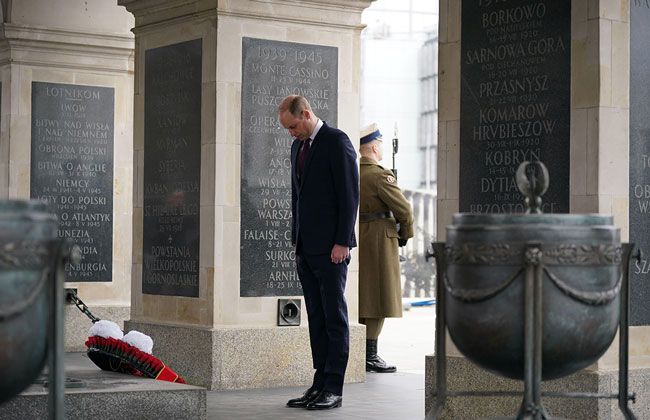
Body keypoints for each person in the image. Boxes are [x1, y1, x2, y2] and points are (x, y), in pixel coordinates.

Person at [278, 95, 359, 410]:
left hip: (331, 250)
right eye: (287, 128)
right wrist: (296, 240)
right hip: (306, 248)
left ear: (306, 114)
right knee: (316, 316)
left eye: (293, 126)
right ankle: (319, 381)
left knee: (333, 316)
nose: (291, 133)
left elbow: (349, 195)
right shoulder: (298, 147)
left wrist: (342, 241)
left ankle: (334, 387)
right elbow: (297, 197)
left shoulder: (336, 141)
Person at [358, 123, 414, 373]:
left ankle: (360, 351)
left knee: (363, 295)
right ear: (372, 147)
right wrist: (406, 233)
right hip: (381, 238)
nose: (380, 149)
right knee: (378, 297)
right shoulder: (380, 175)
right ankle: (370, 354)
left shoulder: (353, 171)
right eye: (379, 145)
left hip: (360, 237)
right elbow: (404, 210)